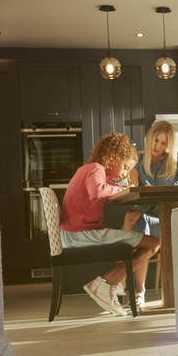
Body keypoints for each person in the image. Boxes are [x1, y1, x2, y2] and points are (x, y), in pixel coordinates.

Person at [59, 132, 161, 316]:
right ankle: (107, 284)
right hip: (82, 234)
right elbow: (98, 191)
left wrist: (122, 187)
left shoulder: (90, 169)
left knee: (149, 244)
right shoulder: (95, 168)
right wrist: (125, 189)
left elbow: (104, 188)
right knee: (154, 243)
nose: (125, 173)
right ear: (114, 157)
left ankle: (108, 284)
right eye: (125, 167)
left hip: (75, 233)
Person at [122, 120, 178, 236]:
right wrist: (142, 190)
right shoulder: (137, 160)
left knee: (136, 222)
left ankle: (130, 251)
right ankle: (130, 251)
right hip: (142, 214)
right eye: (156, 140)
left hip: (166, 217)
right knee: (134, 217)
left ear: (169, 144)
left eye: (163, 143)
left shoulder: (176, 161)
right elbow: (132, 188)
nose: (157, 146)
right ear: (150, 137)